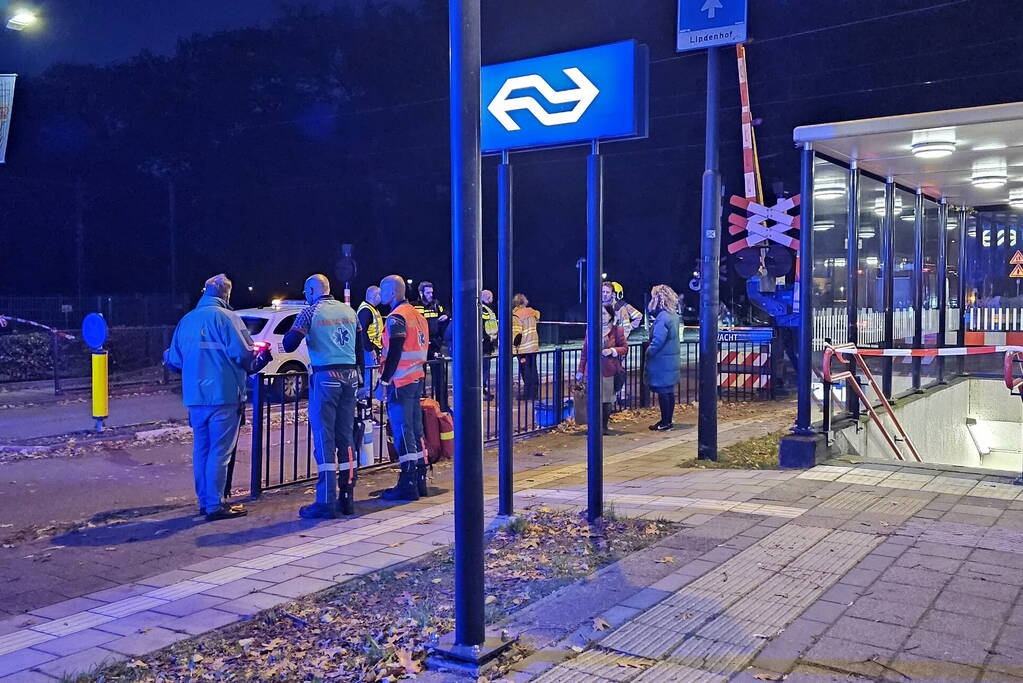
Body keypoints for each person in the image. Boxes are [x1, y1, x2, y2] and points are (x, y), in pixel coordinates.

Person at [165, 274, 271, 521]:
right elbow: (245, 356)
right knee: (220, 452)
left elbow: (175, 360)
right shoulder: (228, 318)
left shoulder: (187, 320)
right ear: (227, 294)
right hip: (224, 394)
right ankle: (215, 504)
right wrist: (260, 359)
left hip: (195, 396)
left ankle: (204, 500)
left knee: (201, 449)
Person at [282, 274, 363, 518]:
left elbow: (288, 344)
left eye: (306, 292)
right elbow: (360, 346)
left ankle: (326, 500)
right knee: (346, 435)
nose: (306, 296)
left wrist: (301, 331)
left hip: (325, 377)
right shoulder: (349, 311)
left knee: (324, 437)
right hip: (350, 377)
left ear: (311, 290)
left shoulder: (310, 311)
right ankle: (347, 497)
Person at [379, 274, 431, 500]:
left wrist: (383, 381)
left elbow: (394, 351)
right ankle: (420, 478)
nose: (380, 295)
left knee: (402, 431)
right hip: (417, 378)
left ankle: (407, 482)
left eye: (382, 290)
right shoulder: (417, 315)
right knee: (416, 429)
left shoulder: (396, 318)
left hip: (400, 382)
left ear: (392, 293)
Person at [576, 304, 627, 435]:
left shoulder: (617, 331)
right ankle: (592, 427)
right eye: (599, 313)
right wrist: (580, 370)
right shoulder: (591, 329)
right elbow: (585, 351)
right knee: (591, 399)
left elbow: (624, 348)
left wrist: (612, 350)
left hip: (608, 370)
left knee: (606, 400)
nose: (601, 316)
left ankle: (603, 427)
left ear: (610, 316)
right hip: (591, 370)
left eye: (604, 314)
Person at [646, 284, 682, 431]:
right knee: (669, 392)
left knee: (663, 393)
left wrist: (649, 351)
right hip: (670, 361)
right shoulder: (673, 316)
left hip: (662, 361)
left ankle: (665, 422)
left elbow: (658, 340)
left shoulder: (662, 318)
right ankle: (667, 420)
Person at [414, 281, 449, 410]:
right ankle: (422, 405)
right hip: (421, 345)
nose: (430, 295)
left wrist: (445, 315)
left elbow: (446, 312)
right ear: (421, 293)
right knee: (420, 377)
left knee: (439, 377)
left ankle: (442, 405)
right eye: (428, 292)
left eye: (431, 292)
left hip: (435, 344)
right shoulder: (415, 306)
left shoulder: (436, 304)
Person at [511, 293, 540, 401]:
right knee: (533, 370)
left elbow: (517, 334)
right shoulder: (532, 313)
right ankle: (535, 393)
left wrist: (514, 350)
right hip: (533, 346)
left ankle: (528, 394)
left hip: (523, 348)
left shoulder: (516, 315)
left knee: (525, 371)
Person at [357, 285, 384, 390]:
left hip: (373, 348)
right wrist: (370, 349)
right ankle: (367, 400)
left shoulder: (373, 309)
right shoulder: (366, 310)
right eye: (380, 295)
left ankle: (369, 397)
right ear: (374, 296)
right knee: (369, 376)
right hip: (368, 349)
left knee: (373, 376)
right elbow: (362, 332)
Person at [481, 289, 498, 399]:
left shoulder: (488, 309)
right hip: (484, 343)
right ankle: (482, 390)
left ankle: (483, 389)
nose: (492, 299)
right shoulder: (482, 309)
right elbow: (481, 326)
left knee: (486, 367)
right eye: (491, 297)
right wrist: (489, 337)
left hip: (488, 343)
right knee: (484, 368)